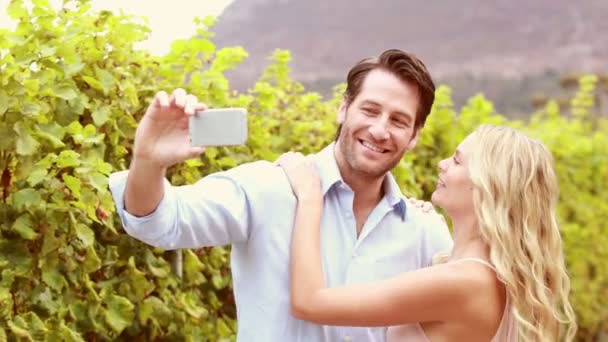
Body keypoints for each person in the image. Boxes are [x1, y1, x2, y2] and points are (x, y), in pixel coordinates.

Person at [108, 49, 453, 341]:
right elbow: (160, 222)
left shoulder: (424, 231)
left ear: (414, 136)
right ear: (344, 107)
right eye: (370, 110)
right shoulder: (268, 187)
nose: (379, 130)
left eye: (398, 120)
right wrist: (148, 161)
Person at [277, 124, 578, 342]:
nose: (442, 164)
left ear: (488, 187)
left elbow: (309, 302)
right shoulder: (493, 276)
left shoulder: (459, 282)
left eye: (457, 160)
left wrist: (310, 197)